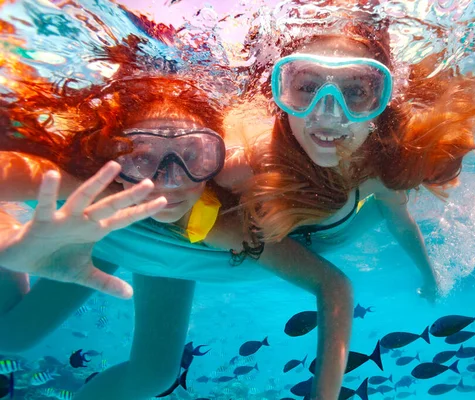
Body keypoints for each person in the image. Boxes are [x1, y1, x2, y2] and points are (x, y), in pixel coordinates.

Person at [0, 25, 352, 400]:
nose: (169, 181)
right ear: (114, 154)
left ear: (214, 162)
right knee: (14, 338)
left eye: (193, 156)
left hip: (165, 249)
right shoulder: (83, 183)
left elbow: (332, 285)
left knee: (155, 375)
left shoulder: (217, 224)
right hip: (91, 237)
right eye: (141, 156)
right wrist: (8, 243)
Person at [232, 0, 475, 299]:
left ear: (379, 106)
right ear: (282, 96)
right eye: (307, 88)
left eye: (355, 92)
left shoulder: (375, 175)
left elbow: (401, 223)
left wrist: (429, 275)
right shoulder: (248, 162)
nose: (329, 115)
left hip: (337, 235)